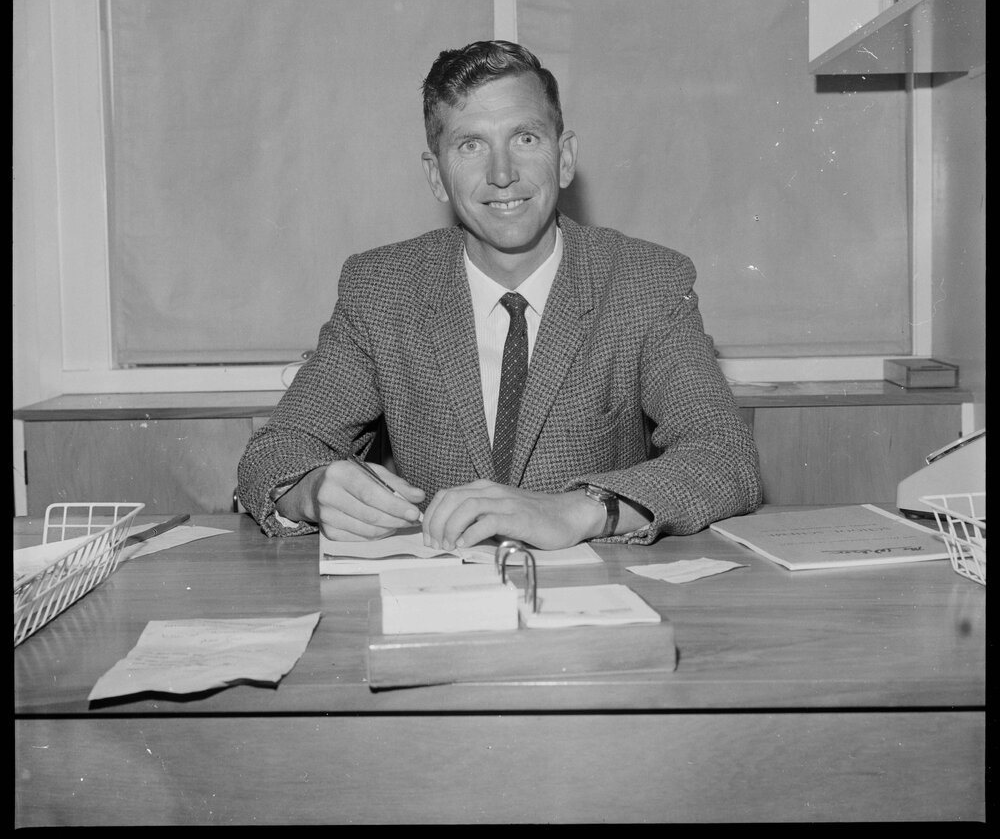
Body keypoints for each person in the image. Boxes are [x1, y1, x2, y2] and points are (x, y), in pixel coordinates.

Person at [237, 40, 761, 550]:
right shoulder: (382, 289)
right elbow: (276, 451)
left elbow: (725, 456)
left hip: (594, 591)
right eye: (471, 145)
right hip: (435, 594)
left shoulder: (645, 282)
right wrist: (311, 491)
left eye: (525, 138)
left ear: (565, 158)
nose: (503, 174)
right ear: (436, 176)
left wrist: (577, 511)